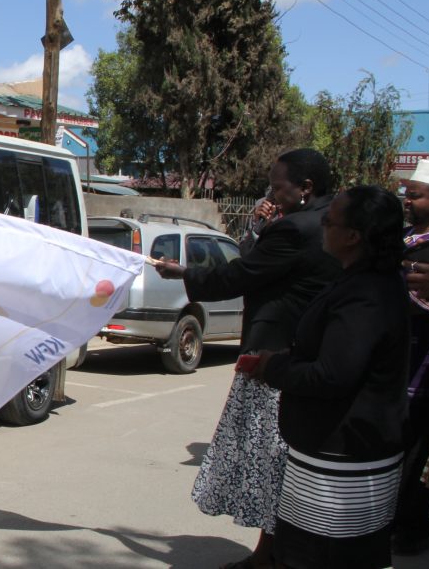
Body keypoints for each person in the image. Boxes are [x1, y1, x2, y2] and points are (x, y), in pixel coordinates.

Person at [153, 148, 341, 569]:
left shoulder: (295, 229)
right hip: (314, 356)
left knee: (271, 462)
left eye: (277, 187)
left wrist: (184, 273)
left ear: (306, 187)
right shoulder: (328, 222)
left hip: (276, 359)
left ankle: (269, 557)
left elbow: (240, 273)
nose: (270, 196)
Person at [248, 185, 409, 569]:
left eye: (329, 221)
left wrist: (272, 367)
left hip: (342, 460)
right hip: (336, 452)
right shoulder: (360, 280)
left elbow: (332, 375)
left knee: (317, 556)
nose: (322, 225)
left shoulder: (365, 293)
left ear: (353, 236)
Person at [392, 159, 429, 555]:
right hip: (398, 359)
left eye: (415, 195)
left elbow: (426, 301)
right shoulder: (408, 237)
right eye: (406, 195)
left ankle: (412, 526)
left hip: (427, 362)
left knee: (417, 448)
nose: (407, 201)